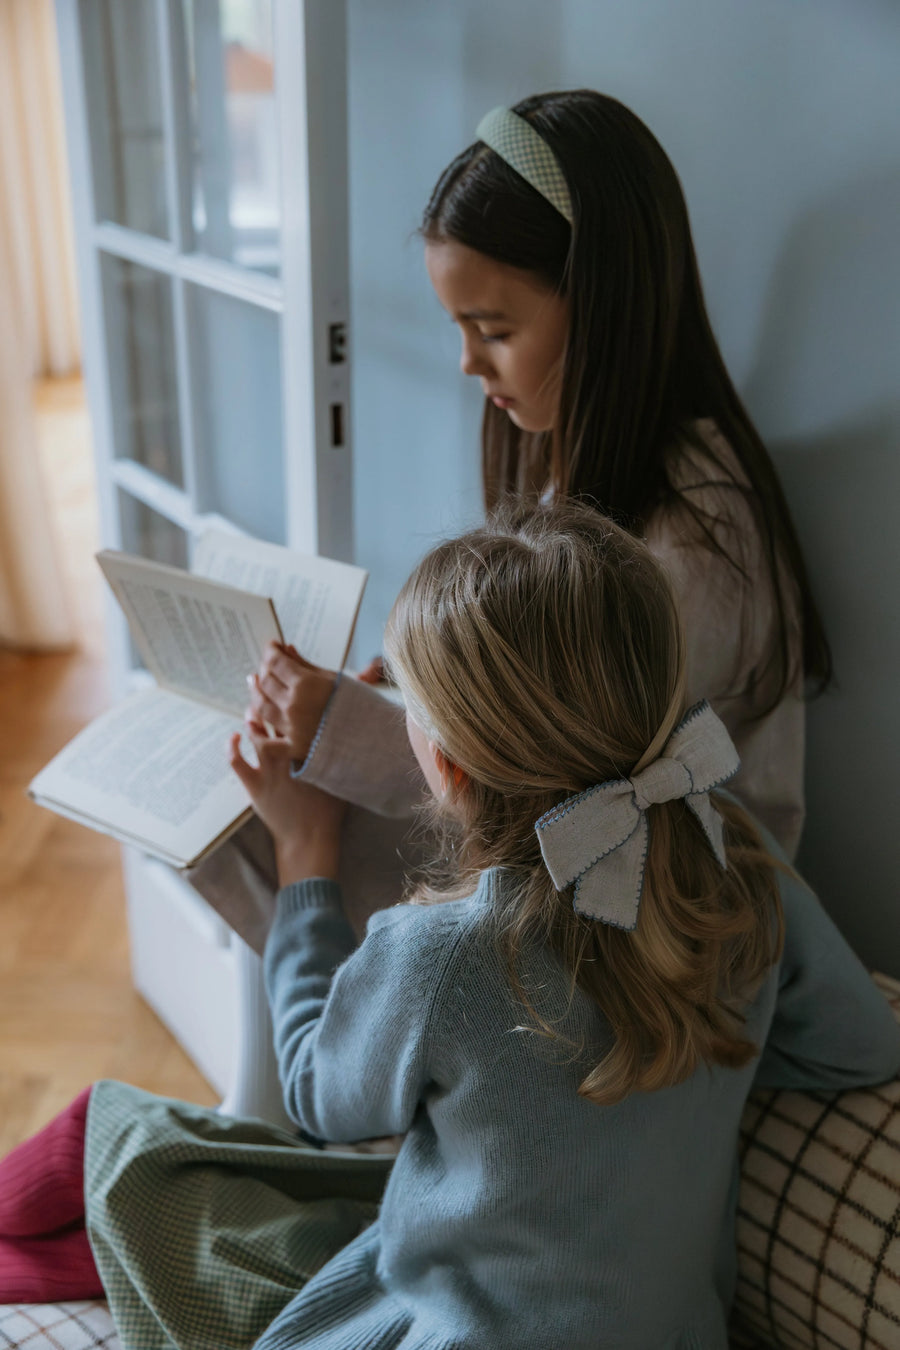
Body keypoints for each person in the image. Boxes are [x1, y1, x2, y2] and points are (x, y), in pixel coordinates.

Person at [0, 505, 895, 1349]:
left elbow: (317, 1098)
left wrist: (305, 859)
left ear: (451, 766)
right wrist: (679, 1056)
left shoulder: (447, 952)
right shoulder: (737, 861)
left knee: (126, 1144)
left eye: (401, 698)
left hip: (454, 1328)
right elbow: (859, 1048)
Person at [231, 89, 832, 923]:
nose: (469, 365)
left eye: (495, 330)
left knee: (285, 833)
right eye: (460, 327)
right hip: (575, 866)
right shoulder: (586, 468)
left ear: (605, 305)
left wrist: (349, 729)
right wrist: (409, 697)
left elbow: (571, 798)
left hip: (672, 919)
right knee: (255, 802)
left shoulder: (692, 544)